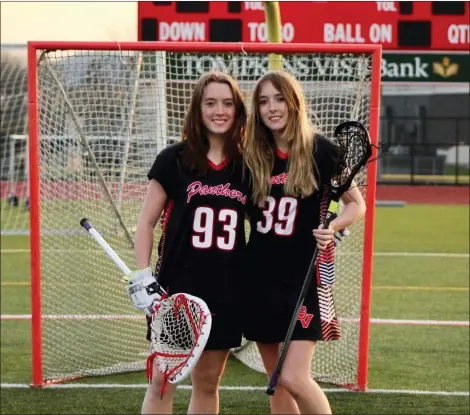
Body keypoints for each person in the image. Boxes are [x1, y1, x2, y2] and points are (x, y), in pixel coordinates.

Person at [242, 70, 366, 415]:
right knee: (277, 381)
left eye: (279, 99)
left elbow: (357, 204)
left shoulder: (321, 150)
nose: (272, 108)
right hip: (259, 277)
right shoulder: (252, 156)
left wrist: (334, 226)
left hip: (304, 277)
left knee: (295, 377)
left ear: (294, 102)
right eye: (264, 101)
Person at [130, 71, 249, 414]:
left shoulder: (248, 165)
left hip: (226, 292)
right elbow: (146, 222)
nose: (219, 111)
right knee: (162, 381)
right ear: (197, 109)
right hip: (176, 291)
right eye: (210, 103)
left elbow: (267, 225)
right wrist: (143, 274)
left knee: (208, 384)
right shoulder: (173, 159)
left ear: (237, 110)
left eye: (227, 103)